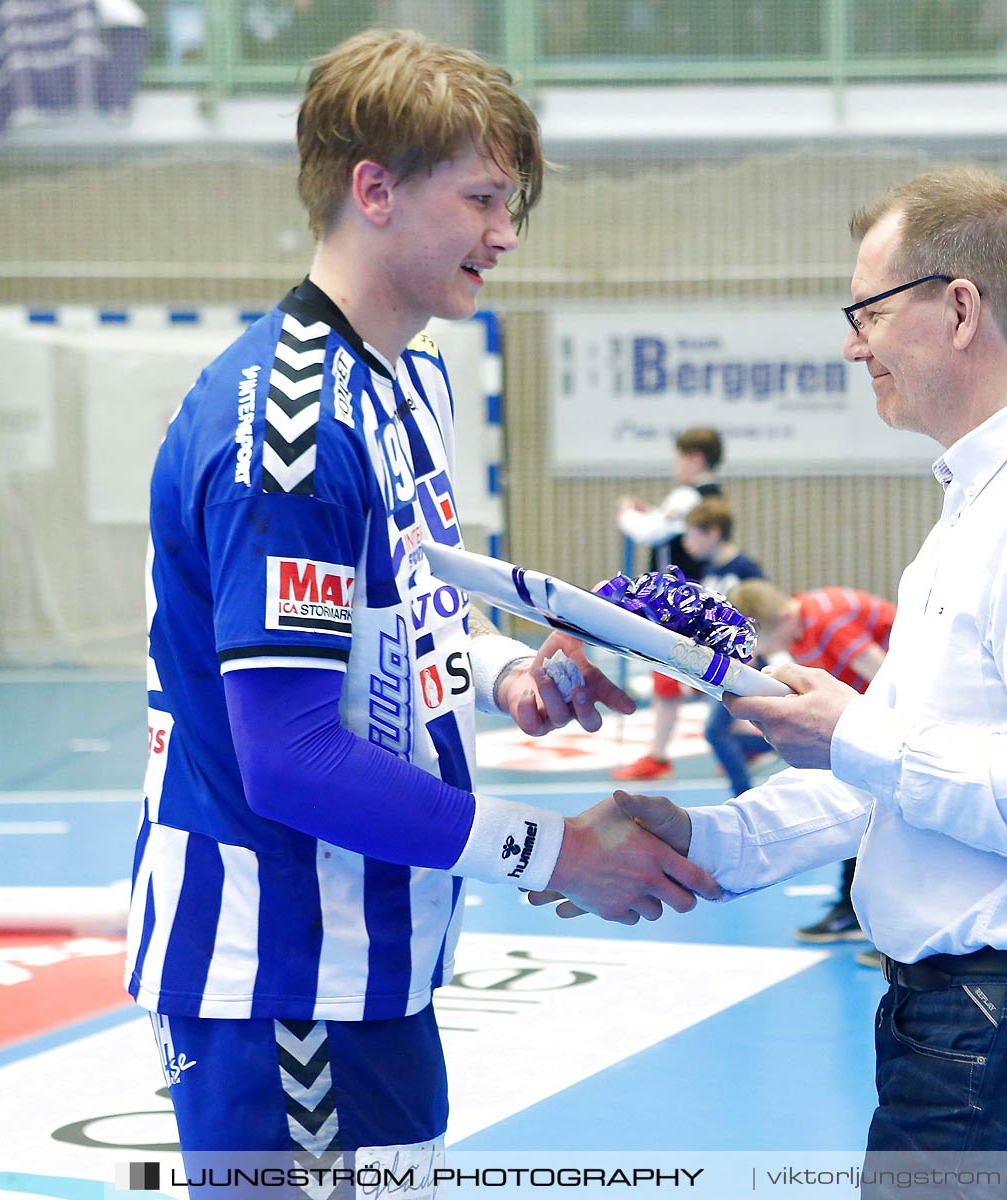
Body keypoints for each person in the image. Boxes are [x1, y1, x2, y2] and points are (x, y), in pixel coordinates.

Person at [129, 29, 718, 1177]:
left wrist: (514, 674)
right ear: (375, 190)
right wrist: (554, 853)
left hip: (383, 958)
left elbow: (407, 613)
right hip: (287, 981)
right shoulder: (284, 436)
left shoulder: (415, 374)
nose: (507, 234)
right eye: (486, 198)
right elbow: (289, 758)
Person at [537, 167, 1007, 1187]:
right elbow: (883, 785)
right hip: (978, 1028)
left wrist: (854, 734)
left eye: (870, 312)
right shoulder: (987, 508)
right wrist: (708, 842)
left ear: (960, 309)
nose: (853, 344)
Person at [728, 579, 895, 946]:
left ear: (785, 616)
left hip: (902, 709)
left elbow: (888, 678)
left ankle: (879, 919)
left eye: (770, 641)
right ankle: (855, 911)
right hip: (877, 708)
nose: (774, 651)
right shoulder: (802, 626)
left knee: (874, 802)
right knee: (860, 799)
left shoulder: (826, 621)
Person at [611, 426, 724, 782]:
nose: (676, 465)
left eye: (679, 458)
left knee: (671, 675)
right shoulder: (706, 495)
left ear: (695, 458)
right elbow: (665, 525)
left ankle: (659, 755)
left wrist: (626, 513)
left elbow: (651, 532)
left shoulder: (688, 496)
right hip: (695, 597)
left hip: (677, 602)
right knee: (689, 676)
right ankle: (727, 743)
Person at [678, 499, 774, 796]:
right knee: (723, 732)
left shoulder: (745, 568)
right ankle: (778, 746)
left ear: (714, 532)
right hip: (720, 664)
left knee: (716, 731)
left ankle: (744, 796)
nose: (686, 542)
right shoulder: (708, 572)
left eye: (693, 533)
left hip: (746, 662)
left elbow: (764, 608)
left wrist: (754, 652)